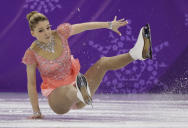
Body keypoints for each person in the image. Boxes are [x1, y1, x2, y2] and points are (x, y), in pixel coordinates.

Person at [21, 11, 152, 119]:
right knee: (67, 89)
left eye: (48, 27)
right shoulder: (32, 53)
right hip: (58, 99)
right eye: (41, 31)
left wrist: (109, 24)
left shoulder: (61, 33)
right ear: (33, 33)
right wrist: (36, 111)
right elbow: (31, 84)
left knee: (103, 63)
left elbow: (85, 26)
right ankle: (81, 93)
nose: (47, 32)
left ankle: (137, 54)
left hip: (77, 88)